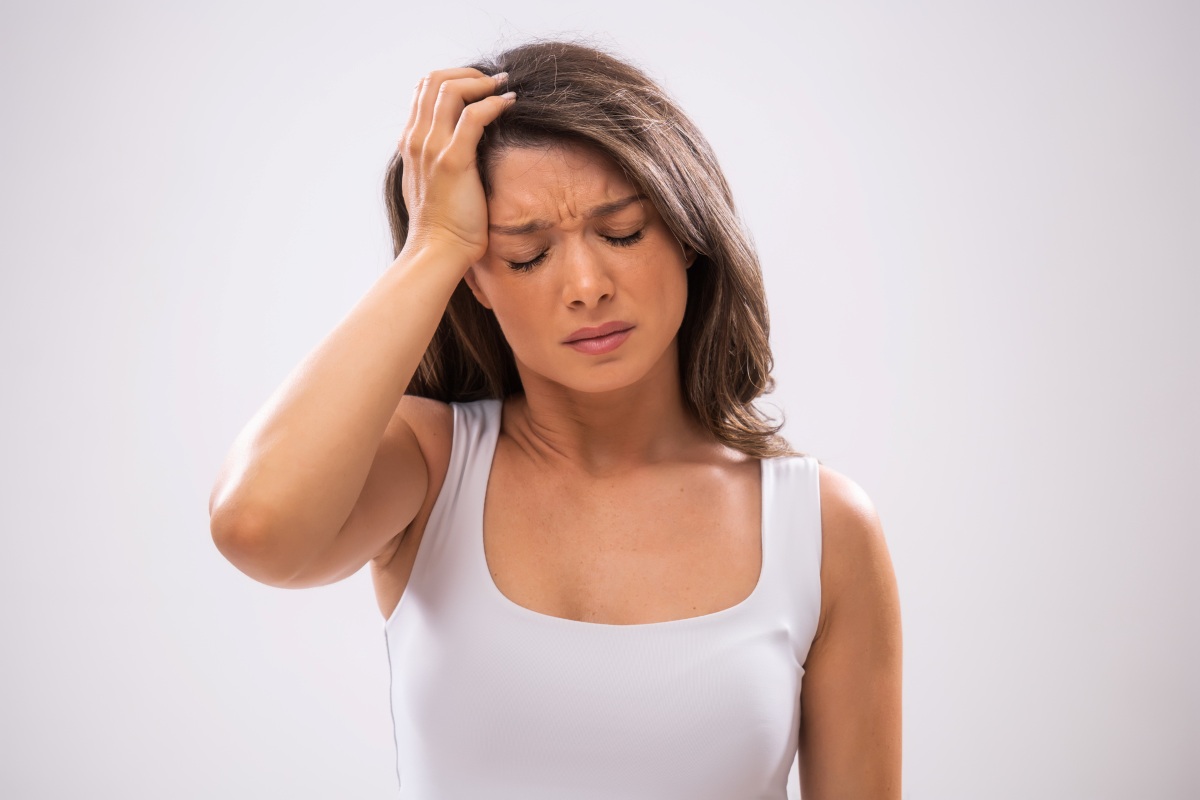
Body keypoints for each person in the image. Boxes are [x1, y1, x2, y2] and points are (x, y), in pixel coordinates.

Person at [209, 39, 902, 800]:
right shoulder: (430, 469)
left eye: (623, 232)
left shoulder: (821, 528)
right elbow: (257, 528)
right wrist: (434, 245)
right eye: (527, 254)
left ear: (687, 231)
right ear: (476, 280)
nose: (586, 285)